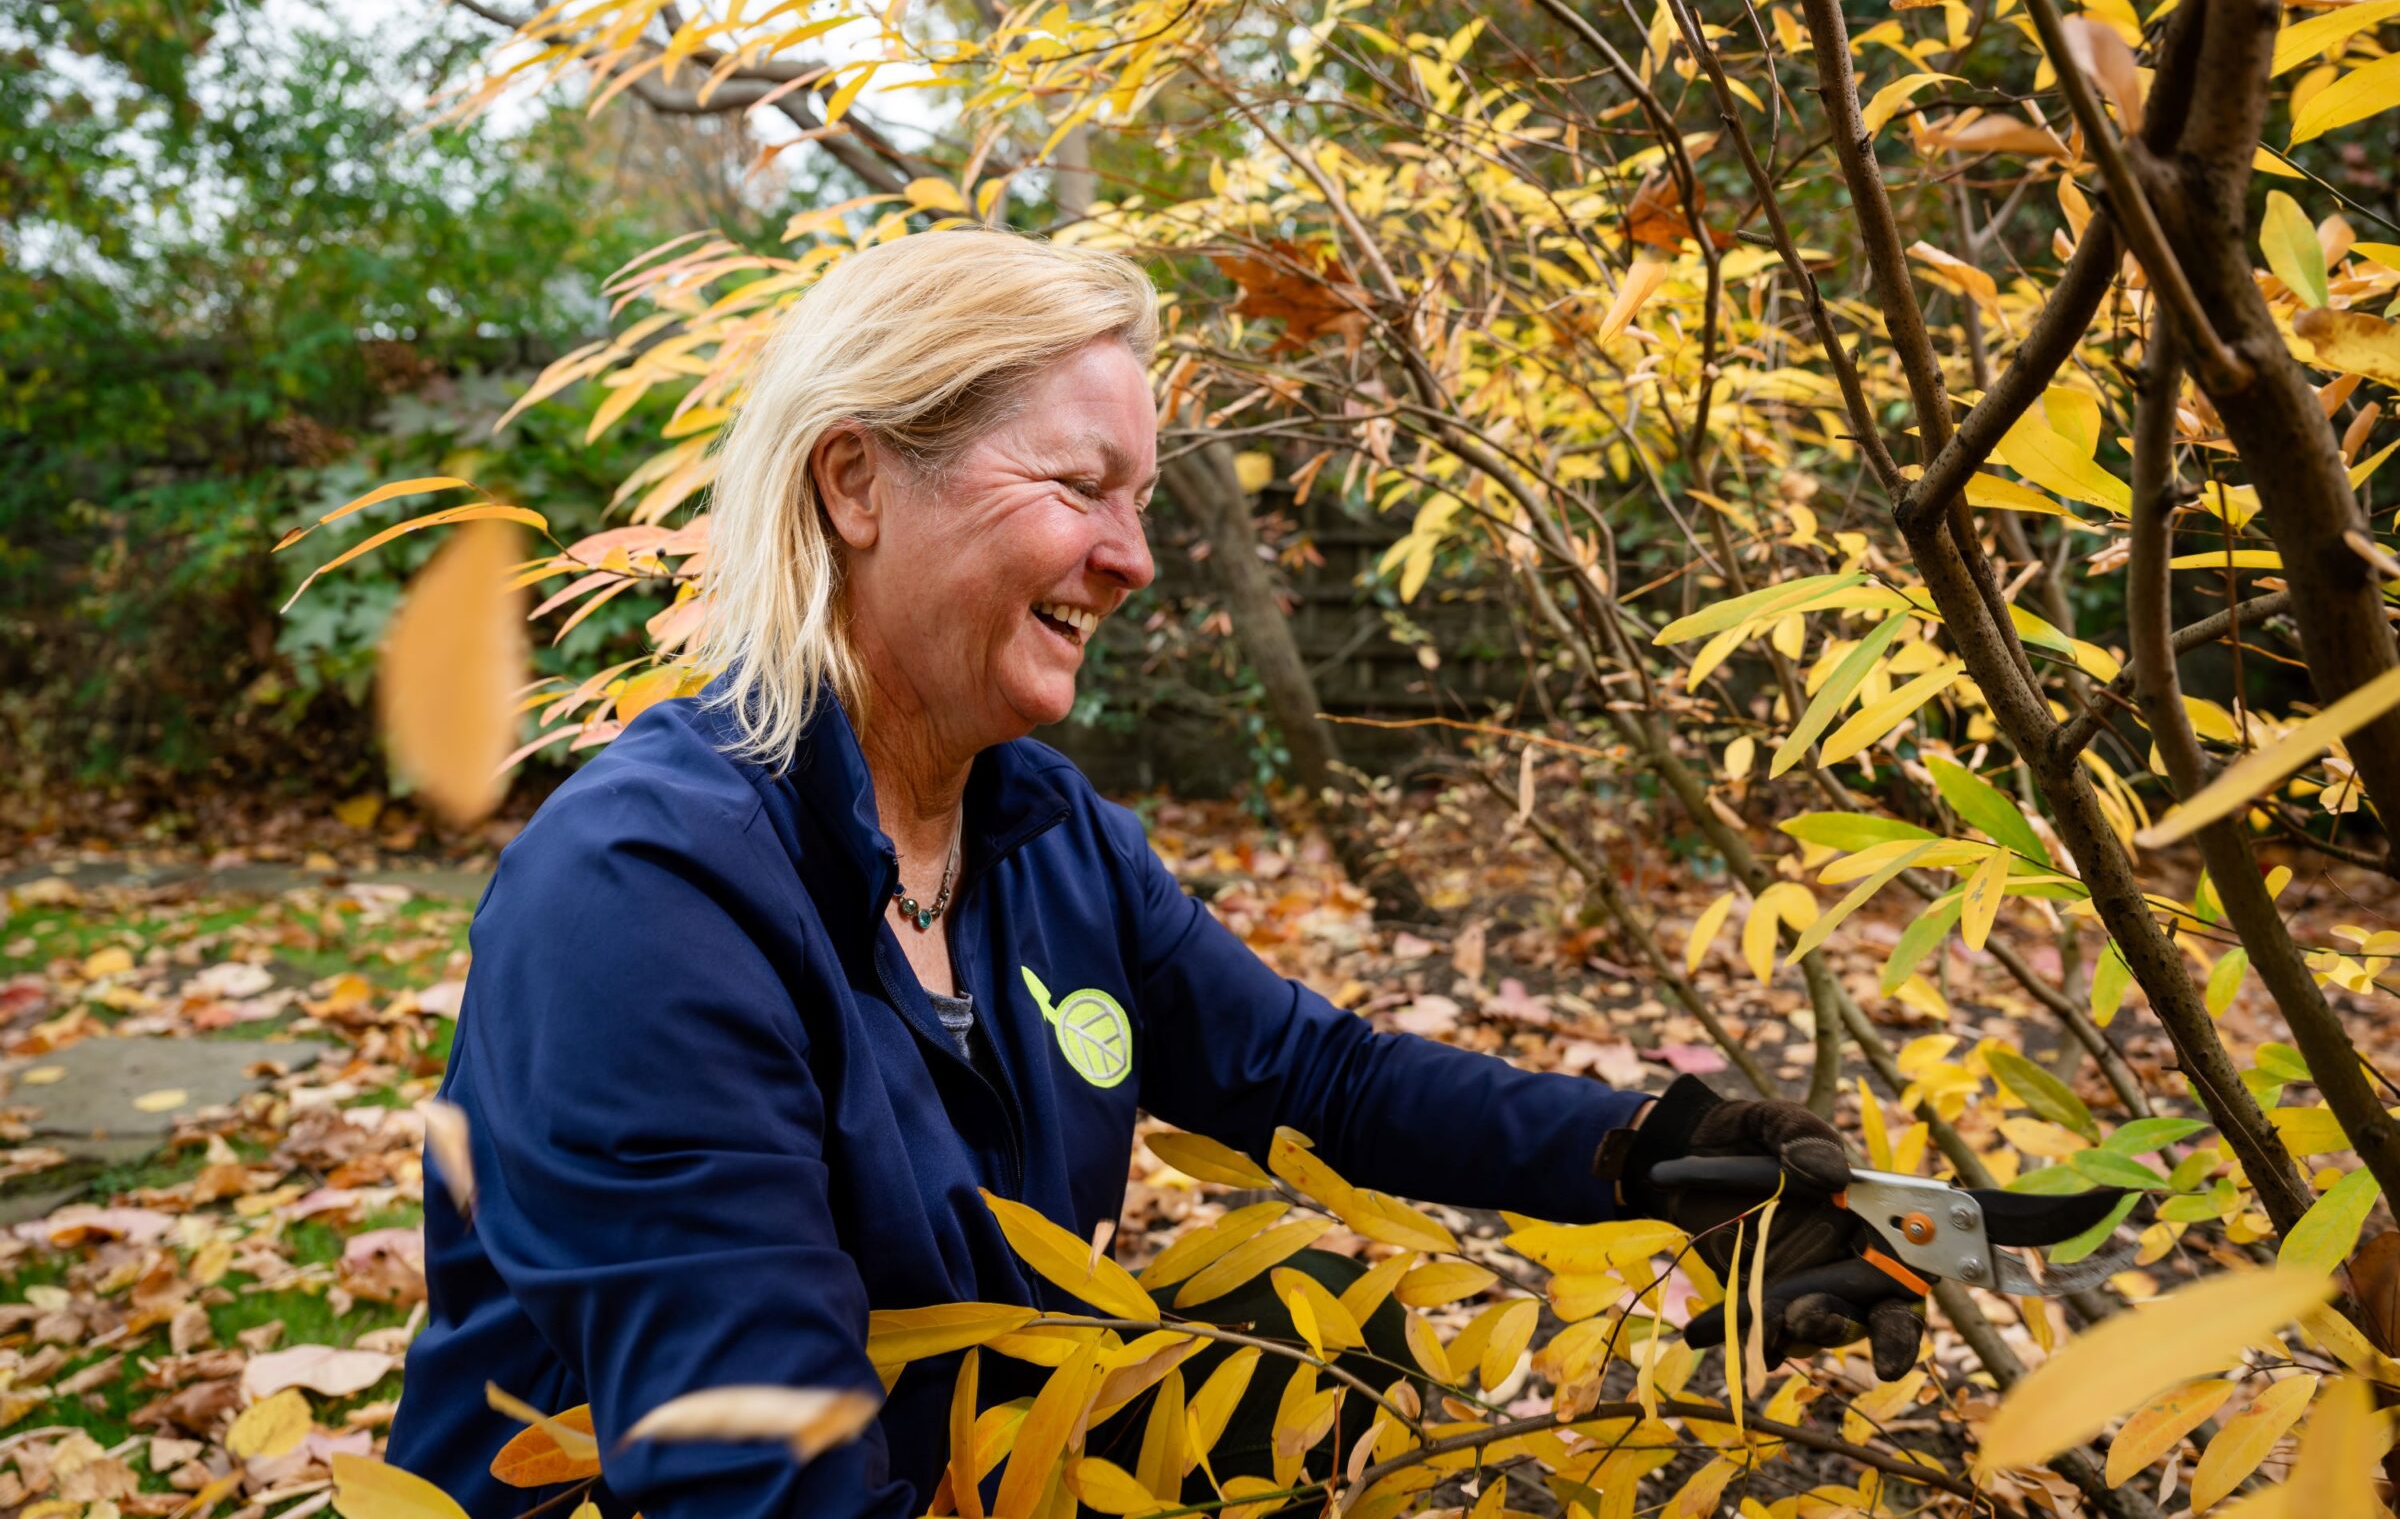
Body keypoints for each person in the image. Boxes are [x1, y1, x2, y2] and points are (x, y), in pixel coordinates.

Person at [384, 229, 1923, 1518]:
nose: (1133, 557)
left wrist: (1653, 1159)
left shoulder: (1041, 839)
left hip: (966, 1463)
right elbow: (758, 1470)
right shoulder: (645, 895)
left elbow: (1316, 1075)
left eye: (1139, 500)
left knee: (1317, 1353)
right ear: (857, 484)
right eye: (1078, 485)